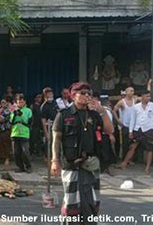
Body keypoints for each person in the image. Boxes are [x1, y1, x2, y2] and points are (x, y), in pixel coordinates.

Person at [51, 82, 114, 225]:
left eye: (89, 94)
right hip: (71, 165)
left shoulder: (94, 115)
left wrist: (102, 111)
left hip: (91, 165)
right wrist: (55, 160)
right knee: (72, 203)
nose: (86, 96)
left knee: (90, 203)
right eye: (82, 93)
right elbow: (56, 139)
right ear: (73, 96)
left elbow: (109, 130)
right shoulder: (63, 115)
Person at [118, 90, 153, 174]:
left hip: (148, 130)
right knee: (132, 147)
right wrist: (131, 131)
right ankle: (124, 163)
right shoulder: (136, 107)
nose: (148, 98)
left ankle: (147, 167)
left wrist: (151, 122)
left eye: (149, 96)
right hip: (137, 129)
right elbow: (133, 119)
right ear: (142, 96)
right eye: (147, 96)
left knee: (149, 149)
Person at [10, 94, 33, 173]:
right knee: (16, 152)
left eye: (22, 102)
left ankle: (28, 166)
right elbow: (11, 121)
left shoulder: (28, 110)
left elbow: (28, 121)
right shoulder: (14, 110)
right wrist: (14, 114)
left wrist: (21, 114)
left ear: (25, 102)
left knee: (25, 151)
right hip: (15, 133)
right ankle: (20, 167)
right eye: (19, 102)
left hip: (24, 133)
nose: (20, 104)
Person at [113, 86, 137, 160]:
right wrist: (118, 120)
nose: (131, 92)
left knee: (133, 143)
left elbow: (145, 96)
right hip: (125, 125)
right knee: (125, 144)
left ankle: (131, 159)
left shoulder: (135, 100)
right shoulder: (121, 102)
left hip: (134, 125)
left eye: (132, 91)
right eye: (130, 91)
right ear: (126, 92)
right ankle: (124, 159)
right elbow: (113, 110)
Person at [0, 95, 13, 170]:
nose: (3, 103)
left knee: (6, 144)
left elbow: (3, 119)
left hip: (5, 129)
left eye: (4, 102)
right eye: (2, 102)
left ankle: (7, 158)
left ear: (7, 103)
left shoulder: (8, 110)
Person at [40, 88, 58, 160]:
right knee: (49, 143)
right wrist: (46, 132)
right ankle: (47, 157)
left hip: (56, 124)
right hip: (49, 126)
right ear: (45, 95)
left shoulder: (55, 103)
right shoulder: (44, 106)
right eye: (49, 94)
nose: (51, 95)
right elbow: (43, 120)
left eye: (51, 93)